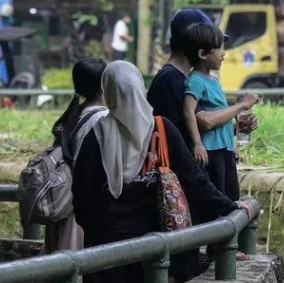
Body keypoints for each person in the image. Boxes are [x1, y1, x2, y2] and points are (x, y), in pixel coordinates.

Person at [71, 61, 254, 283]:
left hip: (106, 251)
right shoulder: (161, 129)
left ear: (107, 91)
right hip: (156, 249)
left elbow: (81, 197)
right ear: (140, 88)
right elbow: (193, 178)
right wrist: (229, 205)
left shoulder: (97, 135)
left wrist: (99, 230)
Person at [146, 9, 260, 154]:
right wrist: (241, 106)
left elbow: (196, 129)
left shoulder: (185, 78)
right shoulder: (173, 79)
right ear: (196, 43)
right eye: (213, 45)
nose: (221, 53)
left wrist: (234, 128)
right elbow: (205, 121)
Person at [182, 23, 258, 210]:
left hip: (224, 147)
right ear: (202, 54)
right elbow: (188, 111)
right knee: (219, 192)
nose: (223, 54)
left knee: (232, 189)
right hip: (211, 150)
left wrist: (233, 141)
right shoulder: (195, 81)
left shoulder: (214, 80)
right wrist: (198, 143)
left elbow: (219, 112)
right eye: (218, 49)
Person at [43, 57, 109, 253]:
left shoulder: (74, 115)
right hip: (85, 206)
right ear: (104, 85)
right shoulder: (102, 119)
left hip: (67, 200)